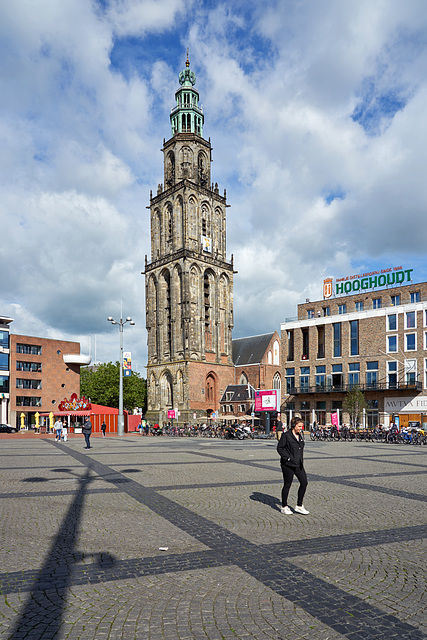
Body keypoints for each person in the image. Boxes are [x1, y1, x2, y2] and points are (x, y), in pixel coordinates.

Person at [277, 416, 309, 515]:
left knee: (304, 482)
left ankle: (299, 506)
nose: (301, 428)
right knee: (287, 484)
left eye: (302, 426)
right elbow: (280, 448)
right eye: (299, 426)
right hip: (288, 464)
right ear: (294, 425)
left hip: (298, 464)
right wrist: (288, 458)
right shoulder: (286, 435)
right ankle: (284, 506)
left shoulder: (301, 435)